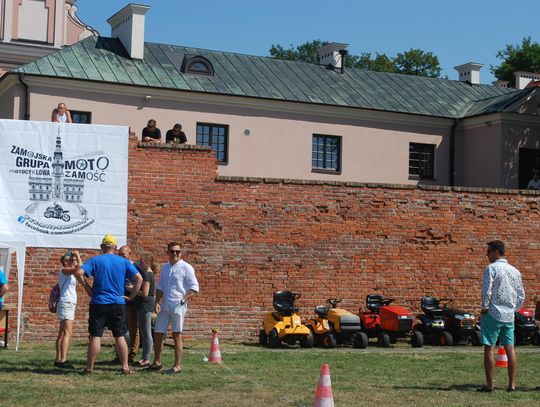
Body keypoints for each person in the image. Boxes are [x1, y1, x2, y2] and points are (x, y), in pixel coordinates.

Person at [72, 234, 143, 375]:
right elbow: (139, 278)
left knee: (95, 335)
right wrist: (131, 296)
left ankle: (89, 368)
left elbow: (79, 272)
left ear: (101, 247)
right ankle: (125, 367)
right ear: (115, 248)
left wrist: (88, 288)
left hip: (98, 302)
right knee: (120, 335)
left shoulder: (95, 260)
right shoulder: (123, 262)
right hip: (117, 303)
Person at [477, 240, 525, 392]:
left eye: (489, 251)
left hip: (492, 313)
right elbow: (521, 295)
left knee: (489, 348)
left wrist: (484, 308)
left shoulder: (491, 268)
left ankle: (490, 385)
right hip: (509, 316)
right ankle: (512, 385)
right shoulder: (515, 271)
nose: (487, 254)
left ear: (496, 252)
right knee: (510, 349)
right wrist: (513, 309)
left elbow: (486, 290)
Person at [147, 242, 199, 374]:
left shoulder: (186, 267)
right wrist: (157, 302)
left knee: (176, 334)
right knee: (158, 333)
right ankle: (157, 362)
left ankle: (177, 365)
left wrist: (183, 300)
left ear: (181, 253)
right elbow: (160, 287)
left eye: (177, 251)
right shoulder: (165, 268)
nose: (175, 253)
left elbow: (194, 287)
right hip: (165, 305)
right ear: (168, 252)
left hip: (178, 305)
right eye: (172, 251)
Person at [54, 251, 90, 369]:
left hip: (67, 303)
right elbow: (81, 269)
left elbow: (81, 273)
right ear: (65, 262)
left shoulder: (70, 273)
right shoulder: (65, 270)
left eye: (75, 260)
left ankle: (58, 359)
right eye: (72, 260)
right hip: (67, 303)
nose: (74, 262)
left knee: (62, 332)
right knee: (67, 333)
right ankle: (63, 360)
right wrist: (78, 256)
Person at [118, 245, 140, 364]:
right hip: (120, 300)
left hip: (131, 301)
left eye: (123, 255)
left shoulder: (135, 266)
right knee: (120, 329)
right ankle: (120, 354)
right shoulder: (118, 266)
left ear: (130, 254)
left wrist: (131, 290)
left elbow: (140, 281)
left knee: (132, 329)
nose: (121, 257)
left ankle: (132, 354)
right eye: (119, 255)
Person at [134, 252, 157, 367]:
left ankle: (146, 358)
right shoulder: (149, 274)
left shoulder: (147, 275)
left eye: (141, 261)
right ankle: (144, 357)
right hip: (146, 304)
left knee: (146, 332)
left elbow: (145, 293)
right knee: (145, 332)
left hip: (145, 305)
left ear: (147, 263)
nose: (139, 263)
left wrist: (132, 289)